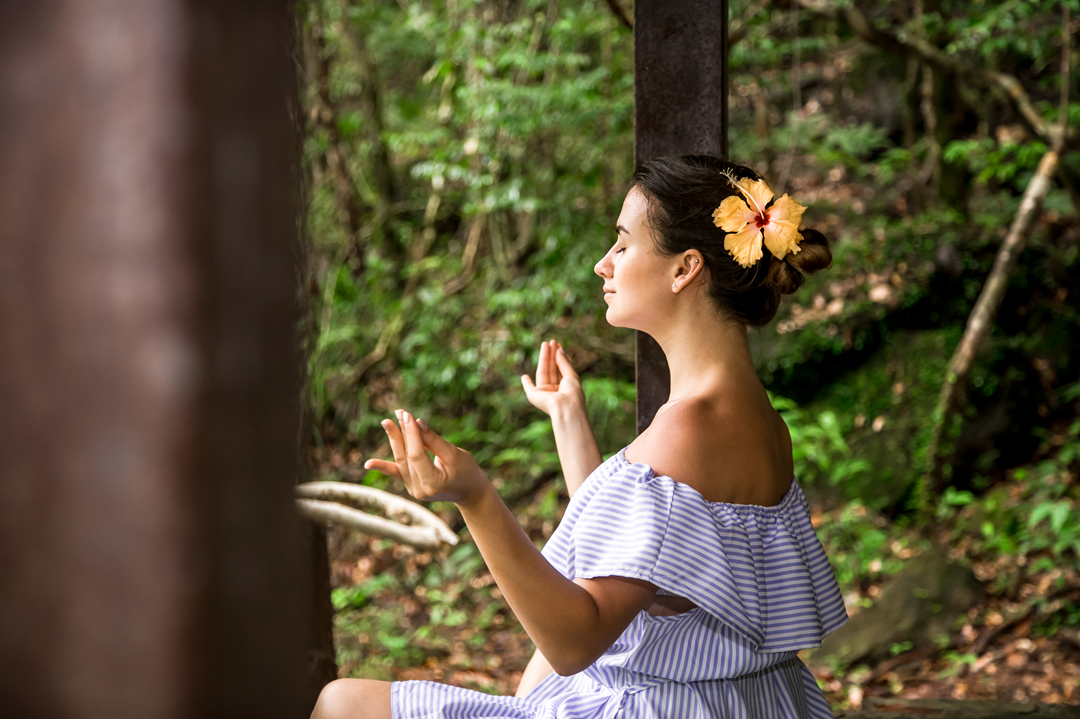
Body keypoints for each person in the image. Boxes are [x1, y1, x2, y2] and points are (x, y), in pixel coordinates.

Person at [312, 155, 847, 719]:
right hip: (745, 702)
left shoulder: (686, 429)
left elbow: (573, 642)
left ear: (685, 268)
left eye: (622, 245)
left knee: (342, 704)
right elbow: (644, 552)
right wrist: (568, 419)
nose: (602, 264)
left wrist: (474, 497)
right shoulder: (761, 422)